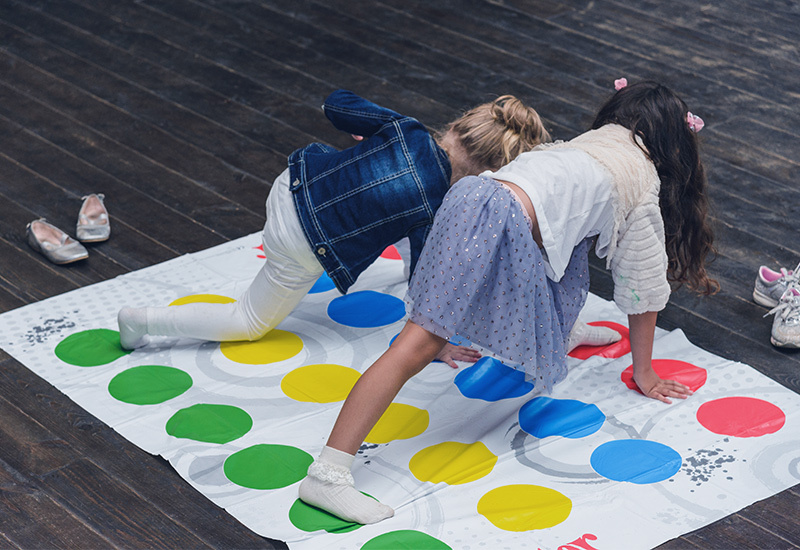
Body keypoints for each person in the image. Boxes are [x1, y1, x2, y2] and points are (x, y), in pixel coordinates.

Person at [297, 80, 718, 524]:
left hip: (475, 197)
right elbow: (641, 288)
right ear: (674, 144)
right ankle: (328, 474)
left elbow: (562, 238)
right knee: (413, 347)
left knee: (566, 252)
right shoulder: (640, 177)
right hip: (496, 216)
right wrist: (646, 371)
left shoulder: (592, 144)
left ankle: (562, 332)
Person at [119, 90, 617, 364]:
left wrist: (372, 127)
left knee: (383, 208)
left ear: (459, 124)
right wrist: (437, 343)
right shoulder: (440, 205)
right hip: (302, 246)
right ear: (493, 171)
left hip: (288, 188)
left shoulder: (406, 128)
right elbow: (427, 281)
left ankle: (143, 322)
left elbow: (336, 103)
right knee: (248, 322)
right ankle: (143, 321)